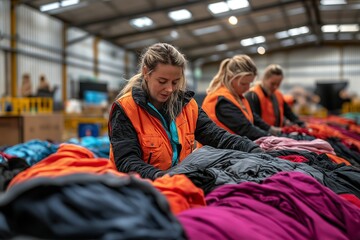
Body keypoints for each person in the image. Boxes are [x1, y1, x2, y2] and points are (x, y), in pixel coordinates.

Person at [108, 43, 263, 180]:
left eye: (175, 82)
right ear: (146, 73)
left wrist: (252, 148)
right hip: (138, 189)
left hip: (177, 182)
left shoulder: (188, 106)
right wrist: (160, 176)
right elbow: (127, 161)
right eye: (162, 81)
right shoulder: (126, 109)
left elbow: (218, 136)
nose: (169, 89)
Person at [202, 55, 281, 141]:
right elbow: (245, 129)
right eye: (243, 84)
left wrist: (271, 130)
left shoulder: (236, 97)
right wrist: (271, 138)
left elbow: (252, 118)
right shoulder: (221, 100)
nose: (247, 88)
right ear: (230, 78)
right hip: (217, 152)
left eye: (249, 83)